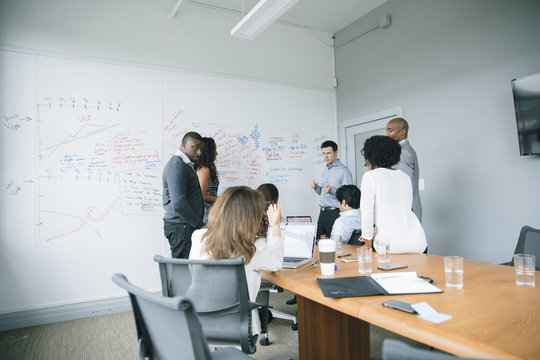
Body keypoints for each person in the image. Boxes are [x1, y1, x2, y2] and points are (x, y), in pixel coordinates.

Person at [189, 186, 284, 336]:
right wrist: (276, 226)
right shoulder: (254, 247)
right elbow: (277, 263)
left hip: (201, 321)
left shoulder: (198, 237)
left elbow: (196, 276)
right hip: (240, 328)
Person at [359, 135, 426, 254]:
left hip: (389, 245)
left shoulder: (370, 176)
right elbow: (401, 211)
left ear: (370, 156)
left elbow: (367, 213)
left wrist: (367, 243)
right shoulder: (404, 177)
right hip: (417, 241)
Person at [162, 131, 204, 258]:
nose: (199, 152)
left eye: (201, 149)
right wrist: (200, 225)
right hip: (181, 227)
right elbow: (179, 204)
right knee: (182, 271)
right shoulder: (177, 165)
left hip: (183, 226)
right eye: (195, 147)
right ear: (184, 145)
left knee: (185, 270)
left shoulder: (183, 164)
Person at [311, 140, 353, 239]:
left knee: (334, 245)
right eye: (323, 153)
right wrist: (317, 188)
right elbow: (325, 192)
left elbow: (349, 194)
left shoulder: (343, 171)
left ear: (336, 152)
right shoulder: (326, 169)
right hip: (322, 212)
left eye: (328, 153)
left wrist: (332, 190)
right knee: (318, 243)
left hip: (335, 213)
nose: (325, 157)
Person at [386, 117, 422, 222]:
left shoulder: (403, 153)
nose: (387, 134)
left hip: (406, 211)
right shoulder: (405, 150)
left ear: (402, 132)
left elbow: (404, 185)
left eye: (390, 130)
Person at [194, 137, 219, 226]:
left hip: (210, 210)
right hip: (205, 211)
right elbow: (202, 195)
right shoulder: (204, 169)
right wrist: (221, 199)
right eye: (214, 150)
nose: (217, 153)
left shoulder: (206, 168)